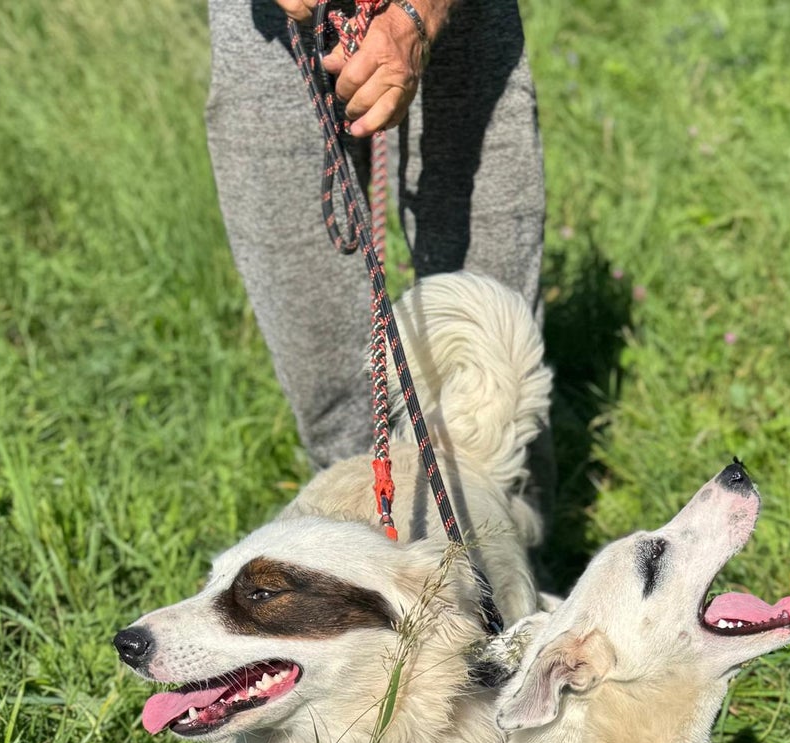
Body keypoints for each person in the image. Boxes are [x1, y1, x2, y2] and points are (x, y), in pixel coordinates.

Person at [205, 0, 546, 470]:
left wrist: (418, 14)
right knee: (330, 385)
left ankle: (503, 535)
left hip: (463, 22)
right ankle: (362, 523)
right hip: (268, 33)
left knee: (497, 371)